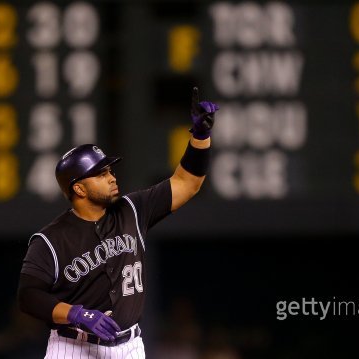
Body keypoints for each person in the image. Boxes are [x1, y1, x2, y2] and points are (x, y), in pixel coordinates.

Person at [17, 87, 219, 358]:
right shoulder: (50, 240)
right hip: (73, 346)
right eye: (100, 174)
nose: (112, 177)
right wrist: (75, 314)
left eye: (110, 171)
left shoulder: (132, 209)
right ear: (78, 189)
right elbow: (28, 296)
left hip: (129, 346)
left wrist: (201, 137)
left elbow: (187, 183)